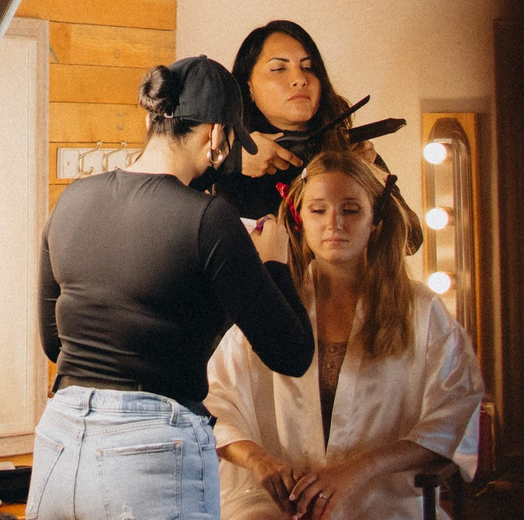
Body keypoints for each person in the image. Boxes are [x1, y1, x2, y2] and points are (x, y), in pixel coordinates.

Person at [32, 57, 317, 520]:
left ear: (151, 119)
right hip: (149, 448)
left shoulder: (72, 199)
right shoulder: (208, 219)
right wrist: (275, 261)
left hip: (59, 441)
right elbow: (291, 353)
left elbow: (53, 342)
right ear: (217, 137)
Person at [205, 149, 483, 520]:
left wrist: (360, 469)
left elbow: (454, 412)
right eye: (318, 210)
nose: (333, 223)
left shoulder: (421, 311)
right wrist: (259, 462)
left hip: (381, 501)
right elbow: (215, 399)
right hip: (276, 505)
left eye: (350, 210)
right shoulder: (271, 305)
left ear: (375, 222)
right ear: (299, 219)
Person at [218, 21, 354, 221]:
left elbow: (411, 239)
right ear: (249, 88)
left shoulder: (348, 147)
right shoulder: (220, 153)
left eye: (308, 67)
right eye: (279, 69)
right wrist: (229, 162)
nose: (300, 78)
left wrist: (375, 178)